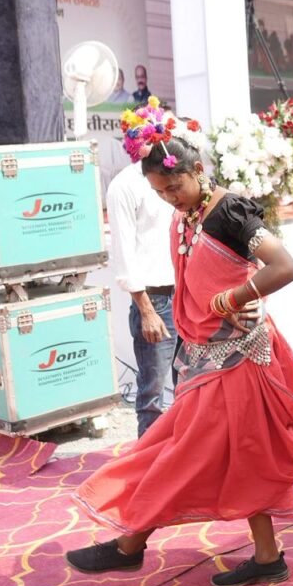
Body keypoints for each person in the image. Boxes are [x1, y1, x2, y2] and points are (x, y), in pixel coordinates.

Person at [66, 100, 293, 586]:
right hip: (206, 361)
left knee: (183, 452)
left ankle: (131, 544)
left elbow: (284, 266)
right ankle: (266, 556)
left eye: (174, 186)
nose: (169, 198)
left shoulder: (229, 213)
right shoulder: (188, 215)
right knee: (234, 456)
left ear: (198, 169)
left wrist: (237, 298)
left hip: (239, 361)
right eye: (160, 192)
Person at [106, 153, 177, 437]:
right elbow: (122, 255)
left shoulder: (177, 174)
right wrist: (146, 310)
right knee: (153, 389)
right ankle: (149, 457)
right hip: (154, 300)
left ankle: (185, 454)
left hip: (186, 294)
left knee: (190, 385)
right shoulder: (124, 185)